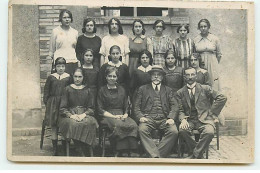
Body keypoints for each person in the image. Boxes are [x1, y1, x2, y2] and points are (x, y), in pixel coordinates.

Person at [176, 67, 227, 159]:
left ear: (196, 76)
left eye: (192, 74)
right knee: (182, 131)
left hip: (205, 119)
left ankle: (194, 155)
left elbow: (222, 97)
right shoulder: (180, 92)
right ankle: (198, 153)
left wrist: (212, 112)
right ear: (184, 77)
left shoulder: (205, 88)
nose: (190, 77)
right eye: (187, 75)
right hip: (189, 120)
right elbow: (180, 109)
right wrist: (183, 119)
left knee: (209, 132)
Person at [134, 65, 179, 158]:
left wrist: (171, 118)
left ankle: (156, 155)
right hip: (148, 118)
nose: (156, 77)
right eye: (154, 75)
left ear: (162, 77)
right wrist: (140, 117)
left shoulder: (168, 90)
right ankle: (156, 156)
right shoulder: (142, 89)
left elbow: (175, 105)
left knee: (174, 131)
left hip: (164, 118)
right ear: (150, 77)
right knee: (142, 130)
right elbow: (136, 106)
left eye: (158, 75)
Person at [97, 67, 139, 157]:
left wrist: (125, 114)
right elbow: (100, 109)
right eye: (110, 76)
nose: (112, 78)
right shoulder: (102, 90)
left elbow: (126, 105)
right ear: (106, 77)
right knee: (119, 125)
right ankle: (117, 149)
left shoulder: (122, 89)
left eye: (114, 76)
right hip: (107, 116)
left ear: (117, 77)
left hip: (121, 114)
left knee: (133, 124)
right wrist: (113, 117)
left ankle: (129, 149)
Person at [59, 68, 99, 157]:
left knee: (90, 122)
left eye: (80, 77)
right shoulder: (67, 89)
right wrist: (71, 115)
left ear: (83, 77)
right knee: (74, 124)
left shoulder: (87, 90)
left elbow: (91, 108)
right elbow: (62, 108)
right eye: (75, 77)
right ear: (72, 77)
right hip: (70, 115)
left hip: (84, 114)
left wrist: (83, 115)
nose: (77, 79)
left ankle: (86, 148)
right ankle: (79, 148)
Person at [43, 57, 71, 156]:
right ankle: (55, 149)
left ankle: (64, 147)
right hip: (53, 104)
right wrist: (48, 102)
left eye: (63, 66)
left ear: (65, 67)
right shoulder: (51, 77)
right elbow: (46, 91)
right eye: (58, 66)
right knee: (54, 126)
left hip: (64, 104)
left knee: (63, 125)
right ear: (55, 67)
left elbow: (70, 91)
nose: (61, 68)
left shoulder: (68, 77)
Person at [47, 9, 79, 75]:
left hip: (72, 62)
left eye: (68, 17)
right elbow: (52, 50)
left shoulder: (75, 32)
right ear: (60, 19)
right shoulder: (55, 31)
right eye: (64, 17)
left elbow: (76, 49)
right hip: (59, 63)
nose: (67, 19)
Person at [194, 19, 222, 91]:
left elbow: (219, 54)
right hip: (200, 63)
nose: (203, 28)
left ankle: (214, 100)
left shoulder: (215, 38)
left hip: (212, 62)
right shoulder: (196, 39)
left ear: (208, 27)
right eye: (201, 27)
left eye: (205, 26)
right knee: (202, 80)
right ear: (199, 28)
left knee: (213, 81)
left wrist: (214, 63)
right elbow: (194, 53)